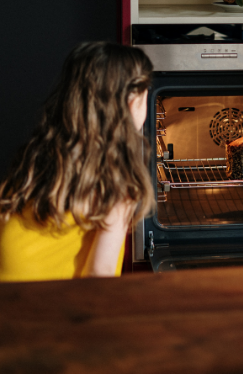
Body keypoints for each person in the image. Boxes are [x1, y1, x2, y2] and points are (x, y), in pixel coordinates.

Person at [0, 41, 155, 281]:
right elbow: (99, 273)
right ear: (134, 103)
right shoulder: (117, 180)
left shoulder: (39, 155)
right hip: (53, 309)